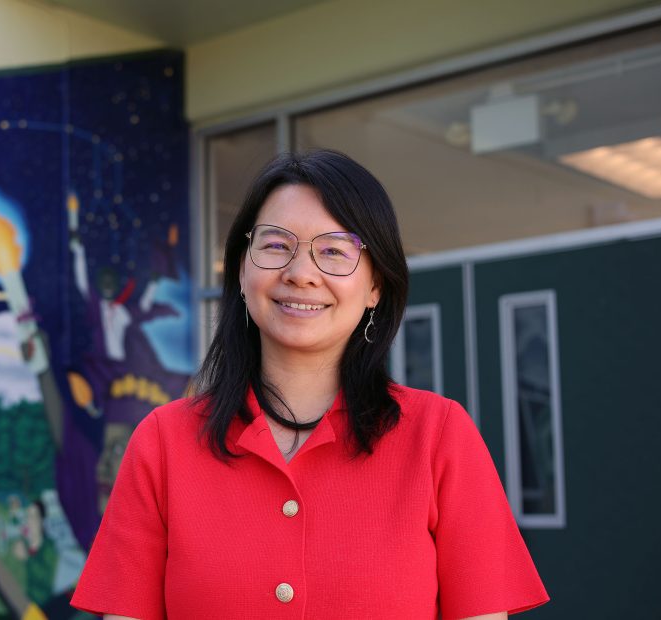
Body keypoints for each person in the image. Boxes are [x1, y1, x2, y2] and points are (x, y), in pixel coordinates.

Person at [70, 150, 549, 619]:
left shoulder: (439, 436)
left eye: (334, 251)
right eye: (276, 245)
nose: (301, 274)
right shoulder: (163, 443)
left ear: (376, 286)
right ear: (241, 268)